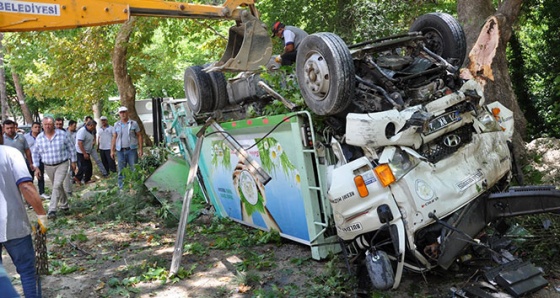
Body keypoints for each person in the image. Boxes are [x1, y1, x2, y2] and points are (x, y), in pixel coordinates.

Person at [1, 122, 48, 298]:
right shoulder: (10, 153)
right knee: (28, 273)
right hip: (14, 224)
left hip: (13, 225)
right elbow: (26, 186)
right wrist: (42, 215)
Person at [32, 116, 77, 219]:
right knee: (58, 186)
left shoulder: (63, 134)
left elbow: (71, 148)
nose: (47, 126)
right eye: (45, 124)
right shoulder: (39, 138)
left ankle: (52, 210)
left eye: (50, 124)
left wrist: (73, 161)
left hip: (62, 163)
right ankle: (65, 205)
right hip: (48, 166)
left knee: (56, 185)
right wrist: (37, 167)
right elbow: (35, 153)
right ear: (42, 126)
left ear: (53, 125)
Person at [111, 106, 143, 189]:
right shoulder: (116, 124)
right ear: (119, 114)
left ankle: (136, 188)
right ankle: (122, 188)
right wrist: (112, 150)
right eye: (121, 112)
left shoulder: (133, 123)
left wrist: (140, 149)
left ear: (127, 113)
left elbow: (139, 135)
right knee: (121, 170)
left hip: (131, 150)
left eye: (124, 112)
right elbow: (114, 137)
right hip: (120, 151)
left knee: (135, 169)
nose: (123, 114)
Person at [24, 122, 50, 200]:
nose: (37, 128)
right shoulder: (25, 137)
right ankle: (31, 195)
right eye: (35, 127)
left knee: (40, 176)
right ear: (32, 128)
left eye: (39, 127)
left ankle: (42, 192)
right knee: (30, 178)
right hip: (29, 160)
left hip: (40, 159)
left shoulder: (43, 136)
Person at [74, 120, 96, 184]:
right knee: (85, 166)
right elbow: (80, 143)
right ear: (90, 125)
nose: (94, 128)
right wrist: (84, 153)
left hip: (87, 151)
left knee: (87, 166)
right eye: (93, 127)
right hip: (81, 151)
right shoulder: (82, 131)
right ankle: (78, 178)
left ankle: (83, 178)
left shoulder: (90, 131)